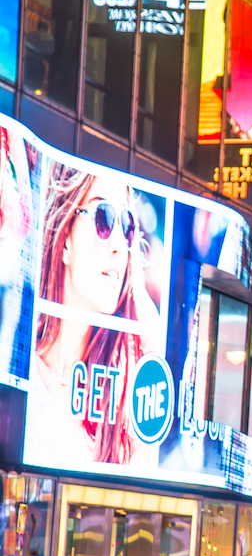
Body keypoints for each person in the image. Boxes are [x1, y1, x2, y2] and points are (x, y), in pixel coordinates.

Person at [28, 164, 162, 465]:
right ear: (65, 242)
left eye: (127, 227)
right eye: (104, 218)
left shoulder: (124, 394)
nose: (118, 246)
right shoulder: (20, 362)